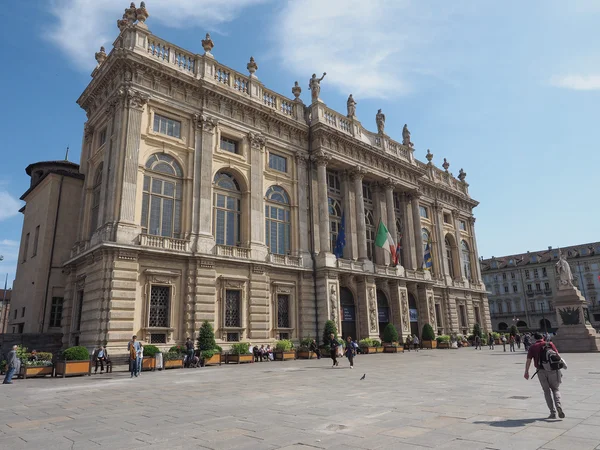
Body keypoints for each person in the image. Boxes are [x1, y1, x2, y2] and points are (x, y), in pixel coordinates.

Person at [524, 333, 565, 419]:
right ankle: (558, 405)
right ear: (542, 338)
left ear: (534, 338)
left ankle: (552, 412)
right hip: (553, 370)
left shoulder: (533, 347)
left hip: (541, 371)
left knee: (546, 391)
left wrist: (526, 372)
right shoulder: (549, 344)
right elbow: (558, 356)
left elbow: (528, 360)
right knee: (555, 389)